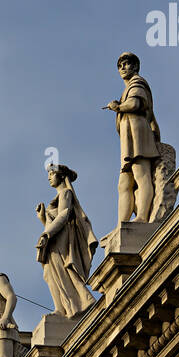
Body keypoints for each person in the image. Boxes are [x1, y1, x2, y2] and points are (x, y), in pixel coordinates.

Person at [104, 52, 162, 223]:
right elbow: (153, 117)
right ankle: (122, 225)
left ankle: (143, 217)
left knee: (140, 173)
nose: (123, 67)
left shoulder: (137, 82)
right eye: (120, 65)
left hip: (138, 134)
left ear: (135, 66)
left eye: (127, 63)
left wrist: (117, 106)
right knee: (124, 183)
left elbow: (135, 104)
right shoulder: (128, 88)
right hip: (129, 137)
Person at [36, 165, 97, 317]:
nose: (49, 177)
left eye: (52, 174)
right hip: (54, 237)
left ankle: (79, 302)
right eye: (48, 174)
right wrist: (43, 219)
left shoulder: (65, 193)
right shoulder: (57, 197)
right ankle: (61, 307)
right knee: (50, 272)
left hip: (61, 239)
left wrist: (46, 234)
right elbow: (56, 219)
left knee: (60, 269)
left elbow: (63, 215)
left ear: (62, 176)